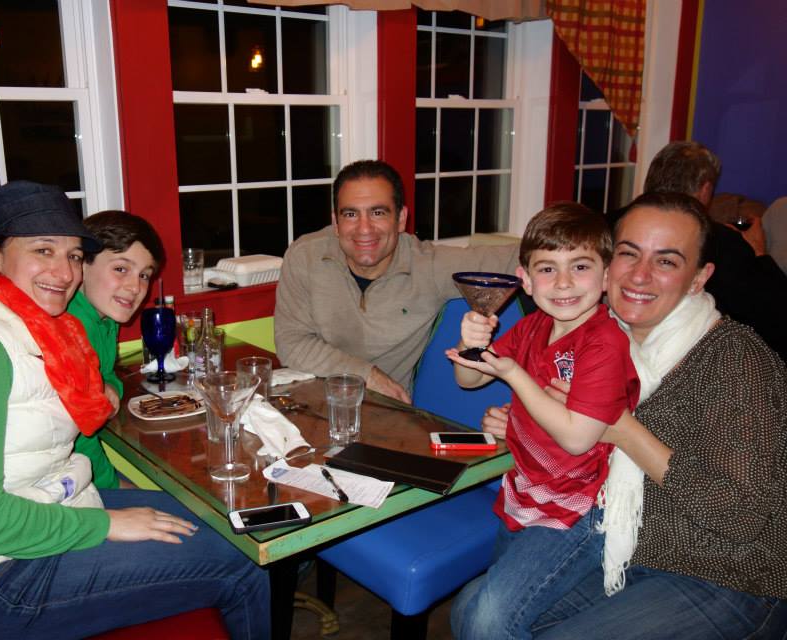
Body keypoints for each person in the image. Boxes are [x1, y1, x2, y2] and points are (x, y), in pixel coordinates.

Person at [0, 181, 269, 639]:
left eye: (72, 255)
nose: (64, 272)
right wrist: (106, 524)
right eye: (43, 250)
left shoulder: (30, 324)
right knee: (246, 555)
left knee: (228, 523)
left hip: (43, 515)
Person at [481, 192, 787, 639]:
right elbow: (571, 433)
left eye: (666, 261)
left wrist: (622, 429)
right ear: (608, 264)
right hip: (623, 550)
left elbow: (739, 515)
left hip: (726, 574)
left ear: (698, 278)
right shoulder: (597, 334)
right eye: (629, 253)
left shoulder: (736, 359)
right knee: (476, 611)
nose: (640, 275)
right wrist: (524, 420)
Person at [447, 203, 639, 640]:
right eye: (548, 269)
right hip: (524, 492)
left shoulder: (605, 341)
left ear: (606, 275)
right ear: (527, 281)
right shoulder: (533, 326)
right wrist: (470, 342)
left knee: (489, 617)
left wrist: (514, 375)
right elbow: (468, 378)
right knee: (482, 609)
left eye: (580, 266)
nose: (564, 282)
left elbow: (577, 437)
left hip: (580, 509)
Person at [274, 159, 519, 402]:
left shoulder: (429, 266)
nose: (364, 228)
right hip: (313, 400)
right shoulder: (306, 256)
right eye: (350, 214)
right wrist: (367, 376)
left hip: (386, 410)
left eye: (378, 213)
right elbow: (291, 343)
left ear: (401, 219)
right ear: (336, 223)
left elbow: (522, 255)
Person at [624, 140, 787, 361]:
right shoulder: (722, 242)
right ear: (706, 189)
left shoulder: (607, 223)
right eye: (629, 253)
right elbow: (777, 314)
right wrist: (759, 252)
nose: (640, 275)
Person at [68, 210, 165, 490]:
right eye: (121, 269)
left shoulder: (105, 319)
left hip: (81, 470)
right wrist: (115, 486)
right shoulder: (70, 329)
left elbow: (107, 373)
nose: (135, 287)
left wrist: (111, 386)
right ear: (82, 264)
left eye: (144, 275)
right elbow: (77, 438)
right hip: (68, 479)